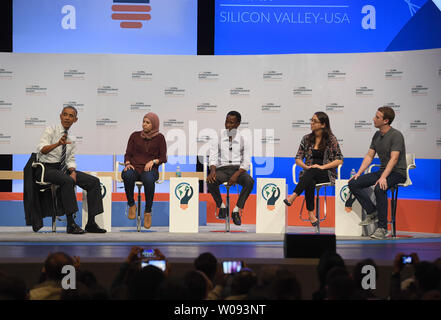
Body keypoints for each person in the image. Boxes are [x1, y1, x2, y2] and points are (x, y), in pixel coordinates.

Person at [36, 106, 106, 234]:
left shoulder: (71, 138)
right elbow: (42, 149)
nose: (67, 118)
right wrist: (57, 144)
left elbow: (70, 158)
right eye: (65, 114)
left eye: (71, 116)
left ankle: (91, 223)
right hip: (47, 168)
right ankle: (71, 224)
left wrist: (72, 171)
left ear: (75, 119)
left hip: (63, 169)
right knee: (67, 181)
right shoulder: (50, 130)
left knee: (94, 182)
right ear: (60, 116)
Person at [348, 106, 407, 240]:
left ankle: (383, 228)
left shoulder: (396, 135)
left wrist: (384, 177)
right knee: (354, 183)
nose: (373, 119)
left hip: (398, 172)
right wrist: (359, 172)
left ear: (386, 121)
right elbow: (369, 156)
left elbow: (394, 159)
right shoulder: (376, 135)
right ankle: (372, 212)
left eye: (377, 117)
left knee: (380, 188)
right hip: (383, 171)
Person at [284, 112, 343, 227]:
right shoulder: (306, 138)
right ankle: (311, 214)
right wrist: (305, 166)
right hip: (309, 174)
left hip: (326, 173)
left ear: (323, 124)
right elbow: (298, 158)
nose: (311, 123)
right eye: (311, 120)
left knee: (311, 172)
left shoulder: (331, 139)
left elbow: (339, 160)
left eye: (314, 121)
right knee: (310, 178)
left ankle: (293, 196)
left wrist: (321, 167)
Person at [207, 111, 254, 226]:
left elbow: (247, 162)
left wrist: (236, 175)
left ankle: (236, 210)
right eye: (226, 122)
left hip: (238, 170)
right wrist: (212, 171)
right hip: (222, 170)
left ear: (238, 124)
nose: (228, 125)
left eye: (231, 123)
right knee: (210, 180)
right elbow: (212, 158)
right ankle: (221, 207)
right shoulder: (217, 138)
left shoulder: (244, 140)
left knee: (250, 181)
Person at [121, 112, 167, 229]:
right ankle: (131, 204)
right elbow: (128, 154)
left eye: (148, 122)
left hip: (150, 170)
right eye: (143, 122)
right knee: (127, 174)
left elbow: (163, 158)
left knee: (148, 178)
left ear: (154, 124)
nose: (144, 125)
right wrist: (127, 164)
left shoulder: (160, 138)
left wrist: (154, 161)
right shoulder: (134, 136)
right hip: (135, 167)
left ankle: (147, 211)